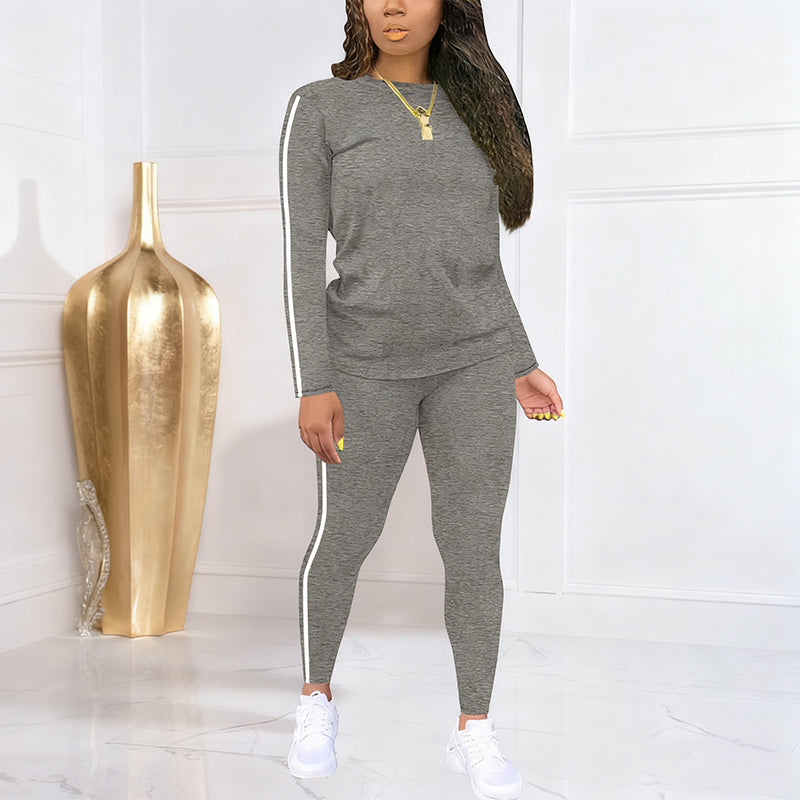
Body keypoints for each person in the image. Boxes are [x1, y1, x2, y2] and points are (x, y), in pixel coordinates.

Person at [278, 1, 564, 797]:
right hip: (363, 364)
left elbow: (481, 260)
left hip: (475, 361)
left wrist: (520, 359)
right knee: (345, 537)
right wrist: (314, 382)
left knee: (473, 548)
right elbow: (299, 257)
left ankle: (475, 729)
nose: (393, 6)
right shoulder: (321, 107)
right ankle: (315, 701)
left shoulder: (481, 110)